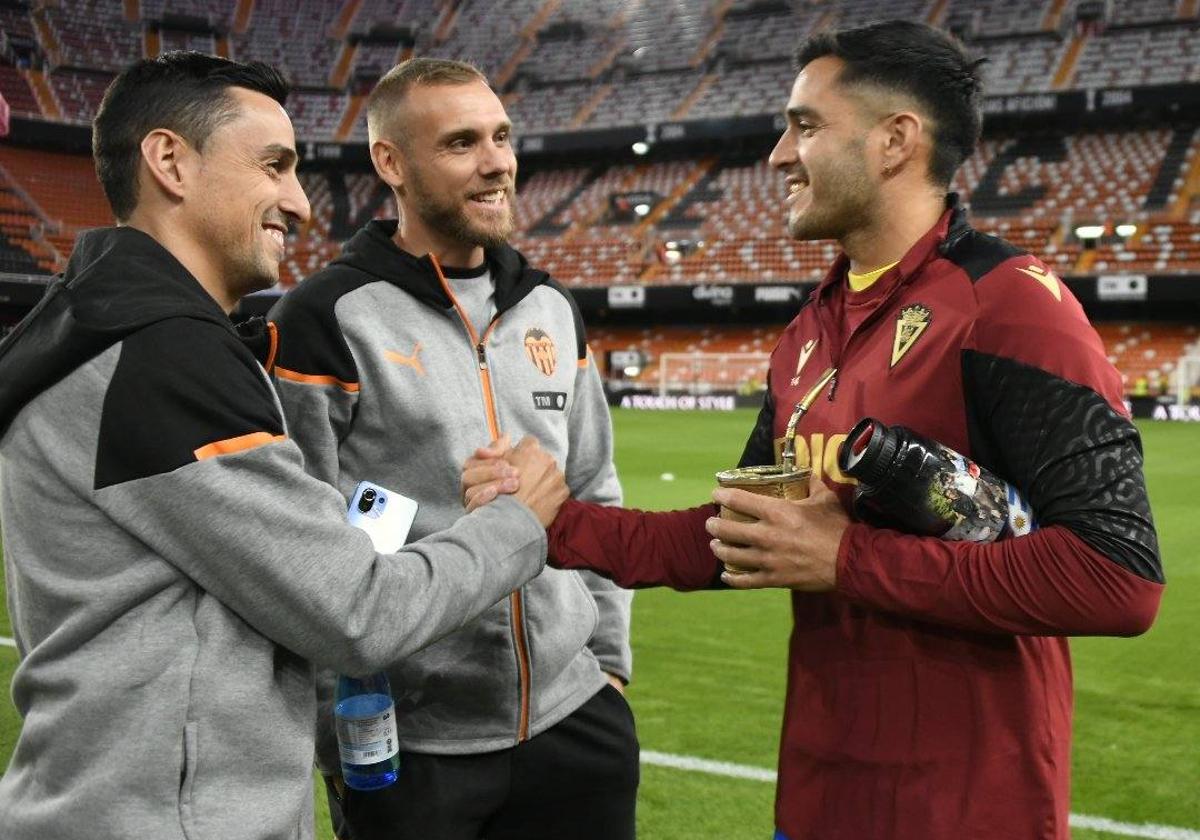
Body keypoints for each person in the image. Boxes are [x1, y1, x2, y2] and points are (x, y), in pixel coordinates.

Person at [466, 20, 1164, 840]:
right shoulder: (809, 332)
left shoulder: (1009, 307)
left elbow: (1119, 576)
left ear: (895, 141)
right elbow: (736, 538)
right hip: (818, 794)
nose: (778, 155)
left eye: (804, 125)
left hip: (968, 810)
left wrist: (845, 557)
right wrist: (547, 521)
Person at [0, 52, 568, 840]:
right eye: (275, 165)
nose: (299, 203)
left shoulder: (109, 329)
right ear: (169, 161)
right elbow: (354, 609)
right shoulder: (157, 356)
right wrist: (520, 522)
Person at [268, 58, 637, 840]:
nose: (498, 161)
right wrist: (341, 734)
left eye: (501, 136)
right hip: (415, 750)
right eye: (462, 142)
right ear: (391, 163)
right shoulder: (325, 319)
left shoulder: (549, 308)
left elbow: (595, 485)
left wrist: (607, 664)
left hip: (577, 720)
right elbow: (296, 549)